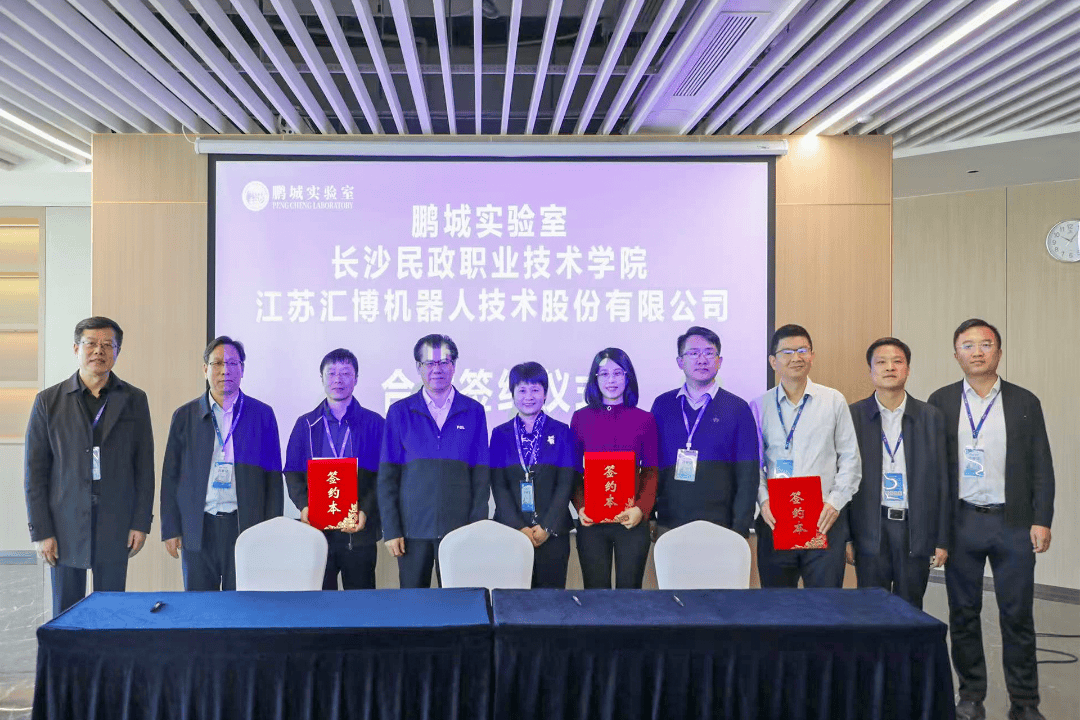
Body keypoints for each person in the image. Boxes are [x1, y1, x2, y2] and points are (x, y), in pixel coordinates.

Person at [928, 319, 1055, 720]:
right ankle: (971, 696)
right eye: (968, 345)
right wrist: (937, 531)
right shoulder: (941, 401)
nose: (977, 351)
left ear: (999, 352)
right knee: (963, 614)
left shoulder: (1024, 401)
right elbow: (933, 471)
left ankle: (1025, 702)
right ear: (956, 354)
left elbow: (1042, 465)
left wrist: (1042, 518)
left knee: (1017, 615)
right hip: (962, 522)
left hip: (1013, 522)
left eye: (985, 344)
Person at [24, 317, 154, 615]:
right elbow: (35, 474)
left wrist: (140, 523)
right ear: (76, 349)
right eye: (91, 344)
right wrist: (41, 531)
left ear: (117, 351)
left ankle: (108, 649)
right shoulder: (49, 401)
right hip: (64, 522)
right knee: (66, 610)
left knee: (111, 608)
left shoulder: (134, 399)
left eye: (108, 345)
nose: (99, 351)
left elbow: (144, 468)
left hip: (115, 520)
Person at [160, 336, 283, 591]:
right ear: (205, 369)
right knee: (200, 605)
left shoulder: (262, 415)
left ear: (243, 369)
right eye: (217, 363)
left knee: (243, 604)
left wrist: (271, 531)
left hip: (245, 527)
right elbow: (170, 476)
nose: (225, 370)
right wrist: (170, 528)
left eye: (232, 363)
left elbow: (273, 479)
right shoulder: (184, 416)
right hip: (198, 528)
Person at [751, 324, 861, 588]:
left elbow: (850, 459)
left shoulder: (833, 400)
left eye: (803, 350)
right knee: (778, 603)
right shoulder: (759, 405)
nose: (796, 358)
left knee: (824, 605)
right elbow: (753, 464)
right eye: (787, 352)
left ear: (812, 356)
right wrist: (763, 501)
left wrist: (834, 504)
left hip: (823, 520)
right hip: (776, 520)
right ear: (773, 361)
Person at [377, 334, 489, 589]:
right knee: (413, 604)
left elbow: (481, 477)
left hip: (459, 530)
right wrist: (391, 529)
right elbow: (387, 478)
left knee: (459, 602)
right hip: (412, 531)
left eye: (444, 362)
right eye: (429, 363)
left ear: (454, 366)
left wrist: (476, 528)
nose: (436, 369)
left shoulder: (473, 411)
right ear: (418, 367)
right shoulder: (400, 412)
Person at [846, 337, 950, 609]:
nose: (890, 367)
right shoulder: (853, 416)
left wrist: (941, 539)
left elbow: (943, 482)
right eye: (881, 362)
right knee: (871, 609)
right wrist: (846, 536)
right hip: (870, 528)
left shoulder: (931, 417)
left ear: (908, 369)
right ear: (870, 370)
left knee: (910, 608)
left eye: (897, 361)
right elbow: (842, 478)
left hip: (915, 529)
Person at [284, 348, 385, 590]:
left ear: (356, 379)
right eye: (331, 373)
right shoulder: (306, 424)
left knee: (360, 604)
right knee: (321, 604)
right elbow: (293, 472)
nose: (338, 379)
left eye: (345, 373)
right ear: (322, 378)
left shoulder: (375, 424)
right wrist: (304, 506)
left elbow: (383, 476)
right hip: (318, 532)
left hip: (359, 533)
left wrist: (365, 510)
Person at [650, 326, 759, 538]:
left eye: (709, 353)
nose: (702, 360)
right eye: (693, 353)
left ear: (719, 361)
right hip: (670, 525)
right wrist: (651, 515)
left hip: (722, 527)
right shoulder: (663, 405)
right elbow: (652, 465)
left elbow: (748, 474)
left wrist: (740, 527)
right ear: (680, 362)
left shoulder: (737, 408)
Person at [570, 347, 658, 589]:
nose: (611, 380)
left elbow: (651, 471)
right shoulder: (581, 418)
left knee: (629, 593)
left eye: (618, 373)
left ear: (628, 377)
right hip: (592, 522)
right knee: (595, 593)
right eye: (604, 374)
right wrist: (581, 506)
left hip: (631, 521)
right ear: (595, 378)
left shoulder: (645, 419)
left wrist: (641, 509)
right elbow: (574, 471)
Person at [491, 362, 575, 588]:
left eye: (535, 389)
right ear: (512, 394)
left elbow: (565, 483)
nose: (529, 397)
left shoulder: (562, 432)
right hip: (511, 532)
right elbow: (498, 486)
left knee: (550, 601)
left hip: (553, 534)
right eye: (522, 390)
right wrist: (519, 527)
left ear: (545, 394)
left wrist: (547, 526)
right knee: (514, 600)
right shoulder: (500, 434)